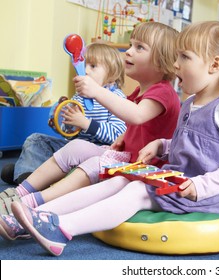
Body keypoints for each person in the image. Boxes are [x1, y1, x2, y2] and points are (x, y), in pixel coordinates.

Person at [1, 20, 219, 257]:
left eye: (185, 57)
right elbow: (190, 144)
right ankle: (35, 216)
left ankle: (61, 229)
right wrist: (161, 145)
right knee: (120, 181)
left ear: (215, 65)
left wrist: (202, 187)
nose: (176, 64)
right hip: (176, 178)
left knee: (136, 190)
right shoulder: (190, 103)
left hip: (204, 193)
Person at [0, 22, 181, 216]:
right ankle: (19, 192)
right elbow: (139, 125)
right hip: (128, 158)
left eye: (139, 47)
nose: (128, 52)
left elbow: (137, 115)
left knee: (94, 164)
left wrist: (96, 92)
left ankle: (33, 202)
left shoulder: (164, 92)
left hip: (146, 169)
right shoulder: (139, 90)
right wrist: (124, 137)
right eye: (130, 45)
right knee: (76, 146)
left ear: (162, 61)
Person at [0, 43, 127, 186]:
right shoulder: (79, 97)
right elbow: (69, 134)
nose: (85, 70)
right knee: (36, 139)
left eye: (93, 66)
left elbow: (118, 136)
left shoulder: (117, 98)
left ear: (112, 74)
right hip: (72, 149)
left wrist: (86, 124)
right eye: (83, 65)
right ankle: (26, 175)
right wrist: (62, 125)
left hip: (98, 154)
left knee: (72, 157)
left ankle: (29, 176)